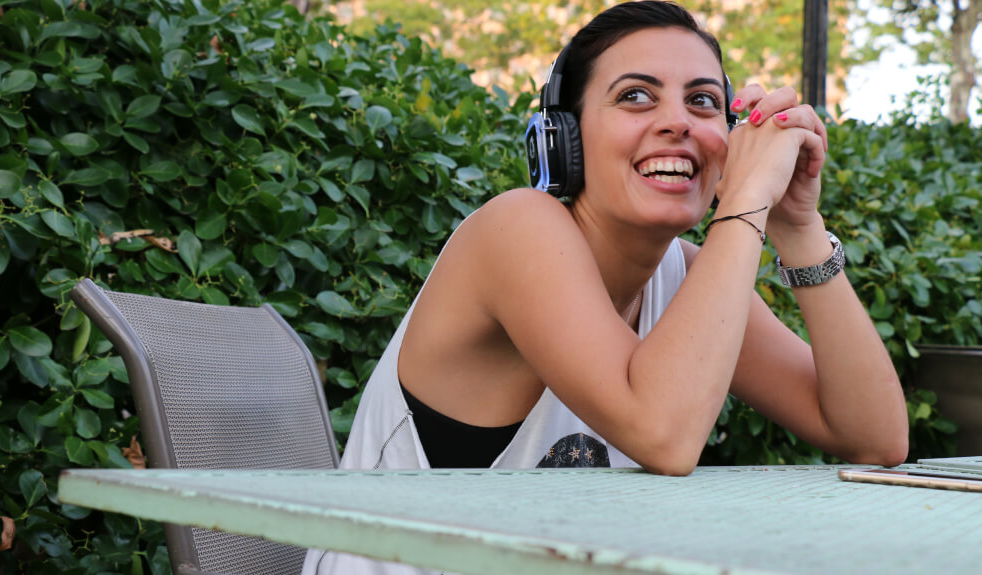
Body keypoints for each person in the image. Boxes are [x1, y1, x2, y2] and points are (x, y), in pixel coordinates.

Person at [302, 1, 908, 573]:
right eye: (635, 96)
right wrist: (747, 198)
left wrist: (798, 227)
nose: (677, 122)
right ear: (564, 139)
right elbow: (663, 435)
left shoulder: (687, 277)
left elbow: (874, 437)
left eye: (702, 102)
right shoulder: (517, 228)